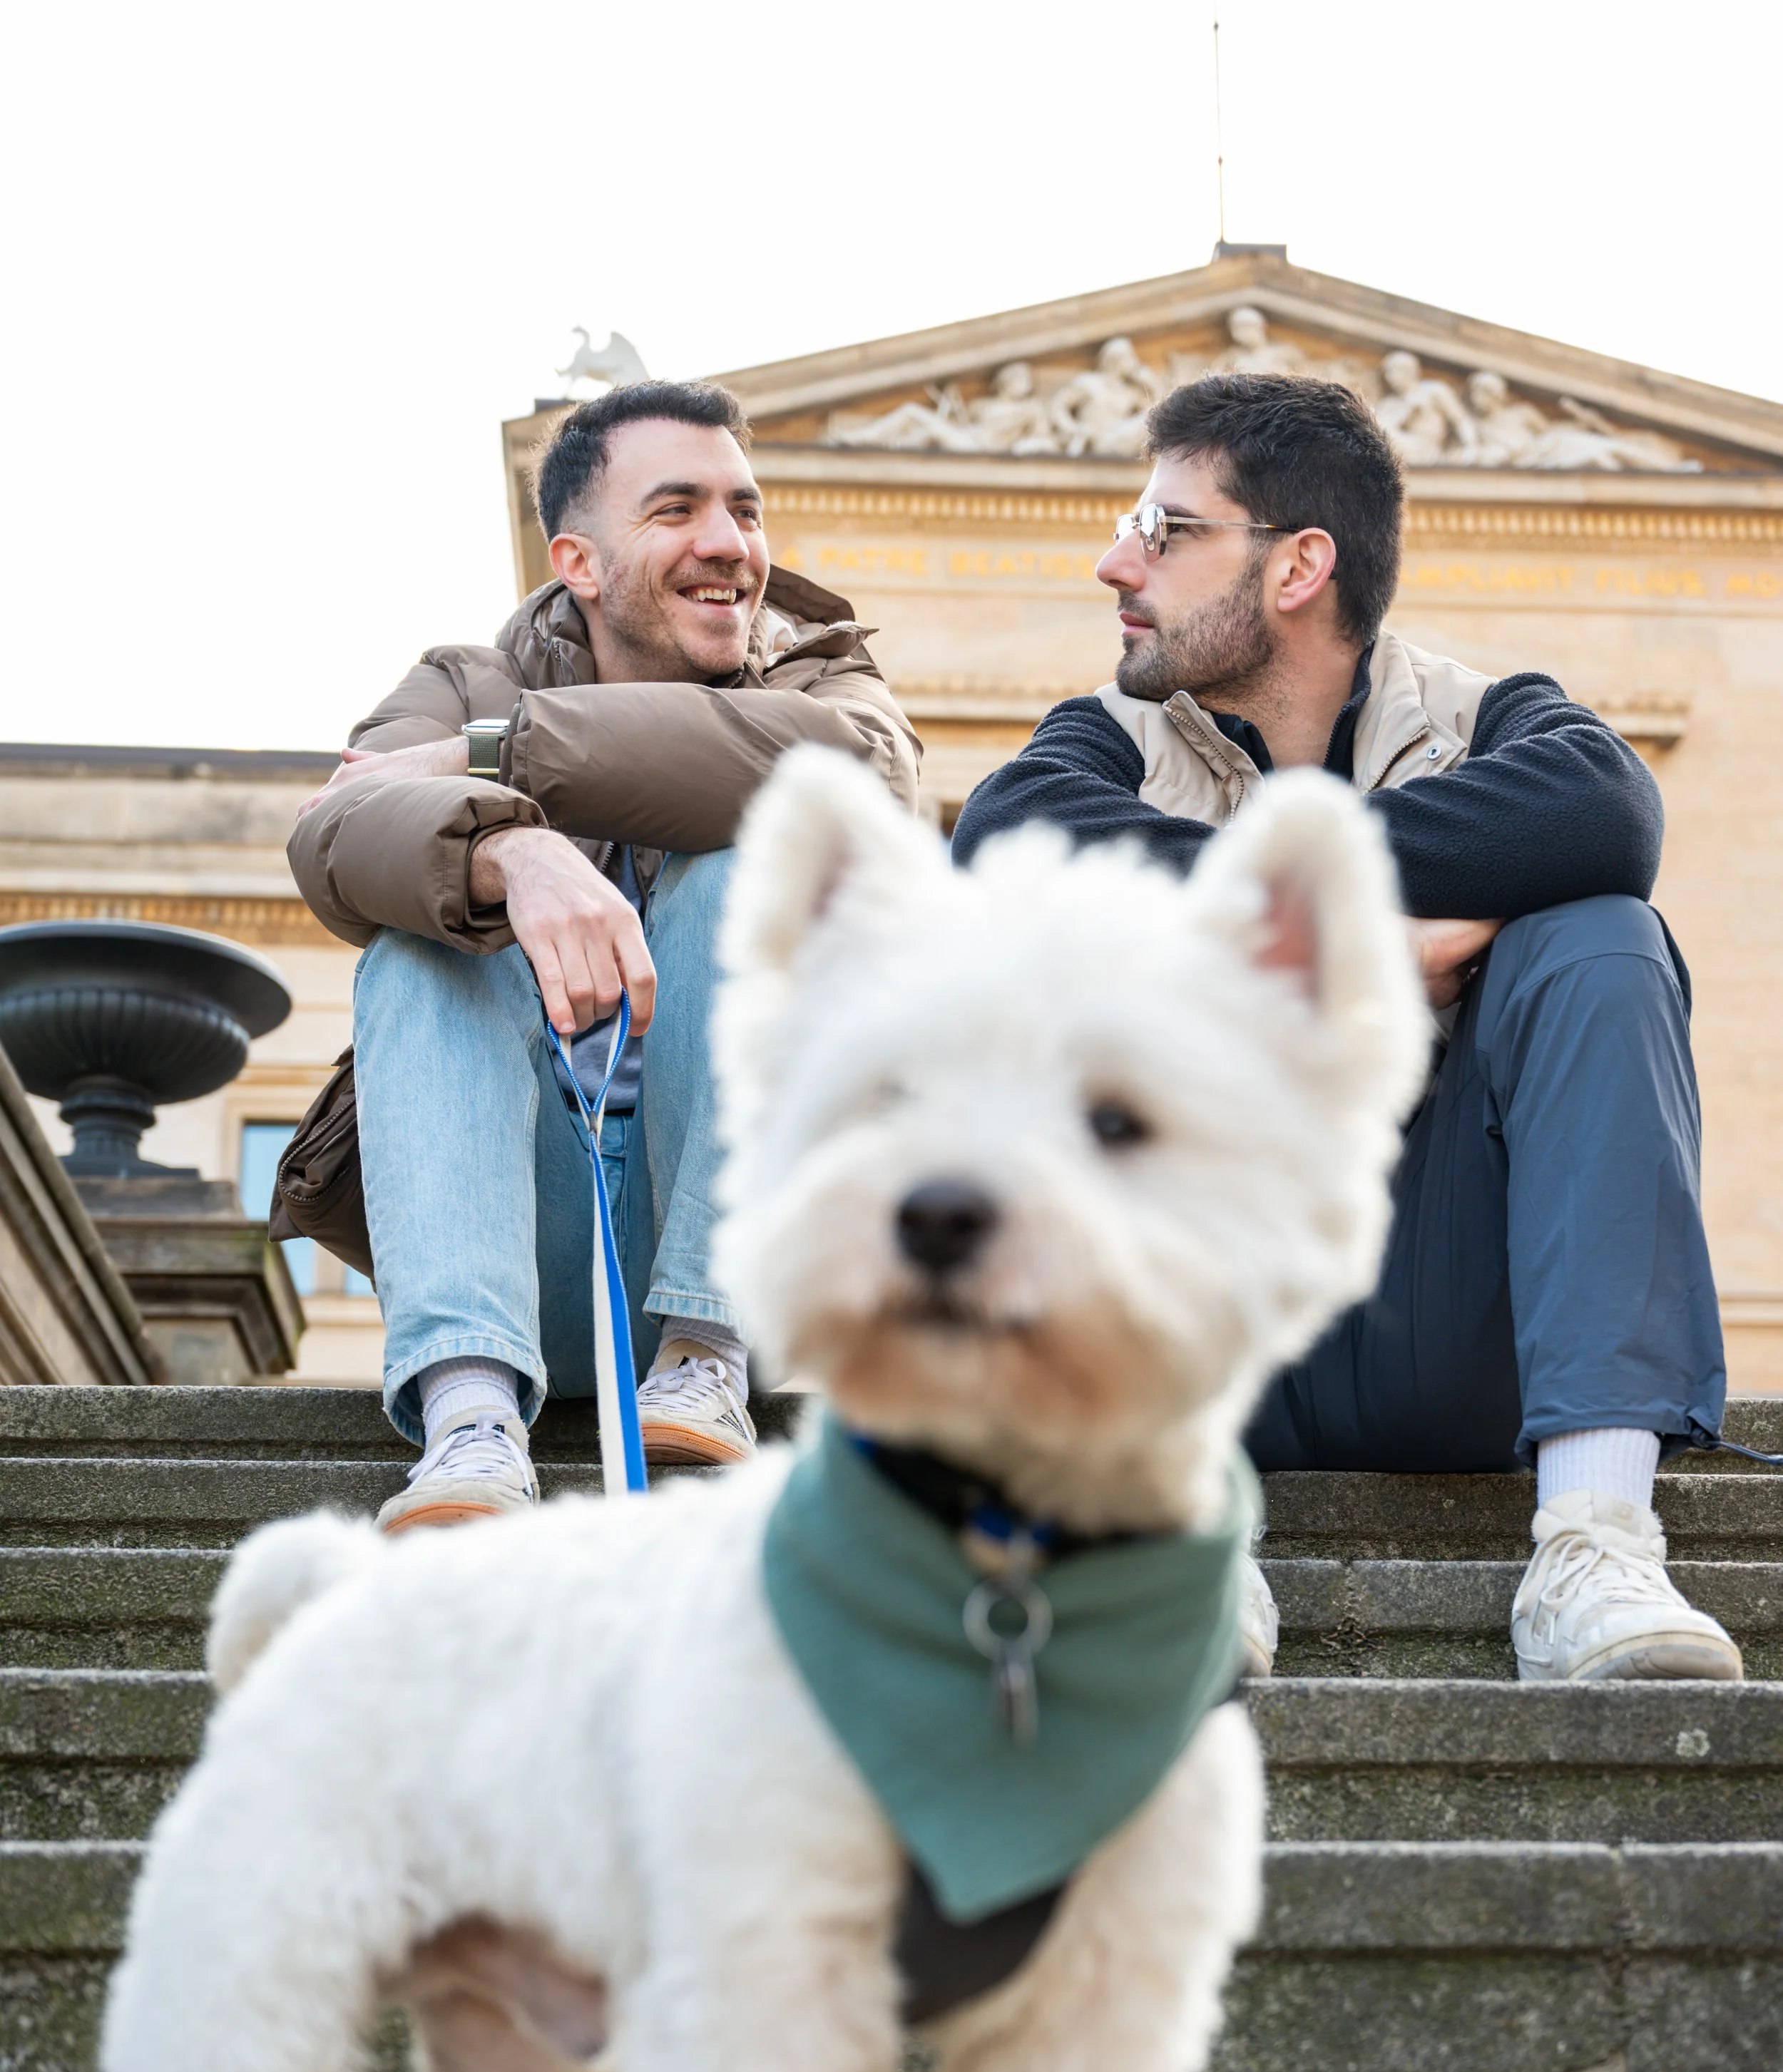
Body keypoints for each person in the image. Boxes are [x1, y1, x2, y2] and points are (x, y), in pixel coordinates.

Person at [951, 372, 1740, 1684]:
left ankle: (1599, 1538)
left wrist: (1219, 890)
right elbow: (1004, 842)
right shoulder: (1097, 744)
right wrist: (1359, 935)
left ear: (1299, 565)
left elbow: (1609, 817)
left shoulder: (1495, 723)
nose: (1115, 562)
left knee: (1600, 932)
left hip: (1443, 1315)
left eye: (1164, 528)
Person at [287, 380, 919, 1530]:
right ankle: (470, 1417)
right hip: (530, 1249)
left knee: (759, 863)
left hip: (759, 1262)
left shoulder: (823, 675)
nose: (729, 544)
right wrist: (510, 856)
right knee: (425, 941)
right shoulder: (457, 678)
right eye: (677, 509)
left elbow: (859, 778)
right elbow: (334, 830)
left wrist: (503, 757)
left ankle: (704, 1352)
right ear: (577, 560)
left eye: (746, 508)